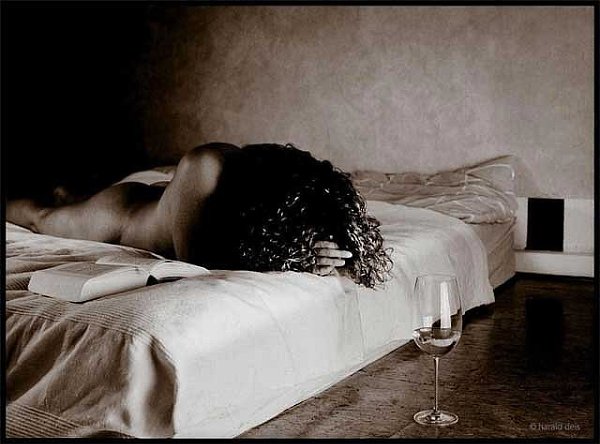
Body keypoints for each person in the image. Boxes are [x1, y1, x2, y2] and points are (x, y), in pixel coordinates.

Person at [7, 143, 392, 287]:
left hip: (161, 201)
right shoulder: (205, 162)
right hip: (120, 218)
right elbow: (195, 260)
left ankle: (68, 192)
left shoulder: (258, 191)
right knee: (42, 218)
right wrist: (298, 257)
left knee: (67, 199)